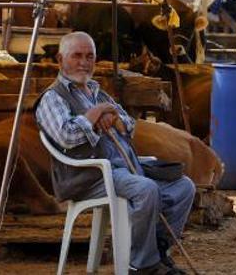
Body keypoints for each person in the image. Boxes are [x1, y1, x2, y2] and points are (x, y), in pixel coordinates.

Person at [35, 32, 194, 275]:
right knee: (146, 190)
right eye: (77, 56)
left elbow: (129, 126)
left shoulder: (98, 92)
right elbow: (67, 137)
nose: (84, 62)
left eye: (90, 56)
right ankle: (142, 266)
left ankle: (157, 250)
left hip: (124, 169)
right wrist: (95, 114)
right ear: (60, 59)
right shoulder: (52, 98)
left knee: (184, 187)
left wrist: (113, 115)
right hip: (89, 176)